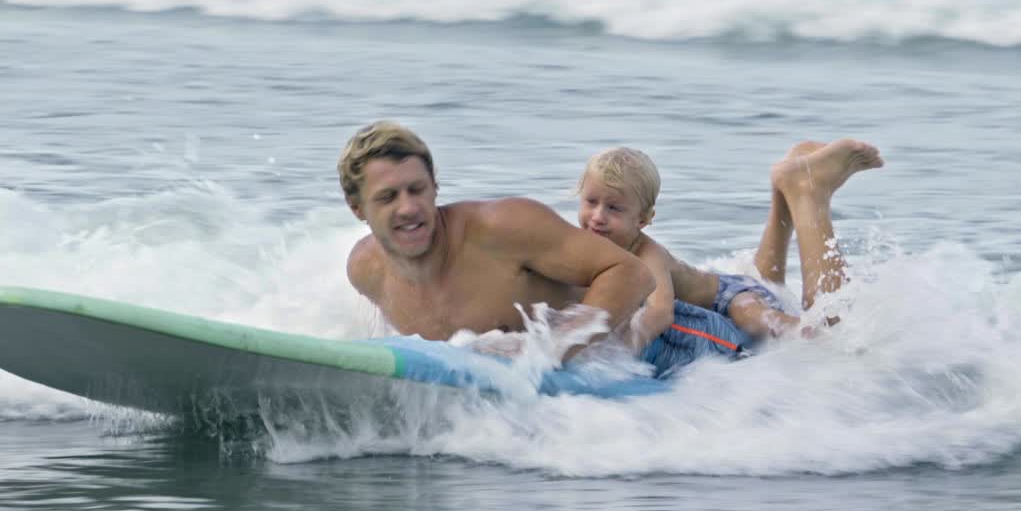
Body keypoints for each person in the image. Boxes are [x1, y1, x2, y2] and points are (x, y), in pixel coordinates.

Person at [340, 121, 655, 360]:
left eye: (417, 189)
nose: (408, 208)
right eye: (388, 197)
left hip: (655, 344)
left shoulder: (502, 229)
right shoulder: (365, 270)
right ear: (358, 209)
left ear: (435, 186)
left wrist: (550, 350)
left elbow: (632, 273)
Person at [577, 139, 883, 372]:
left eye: (614, 208)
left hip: (730, 296)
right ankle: (787, 181)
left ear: (643, 220)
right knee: (765, 280)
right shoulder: (588, 242)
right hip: (728, 287)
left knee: (758, 319)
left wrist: (620, 355)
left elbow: (659, 313)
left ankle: (816, 335)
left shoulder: (647, 254)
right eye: (591, 202)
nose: (597, 217)